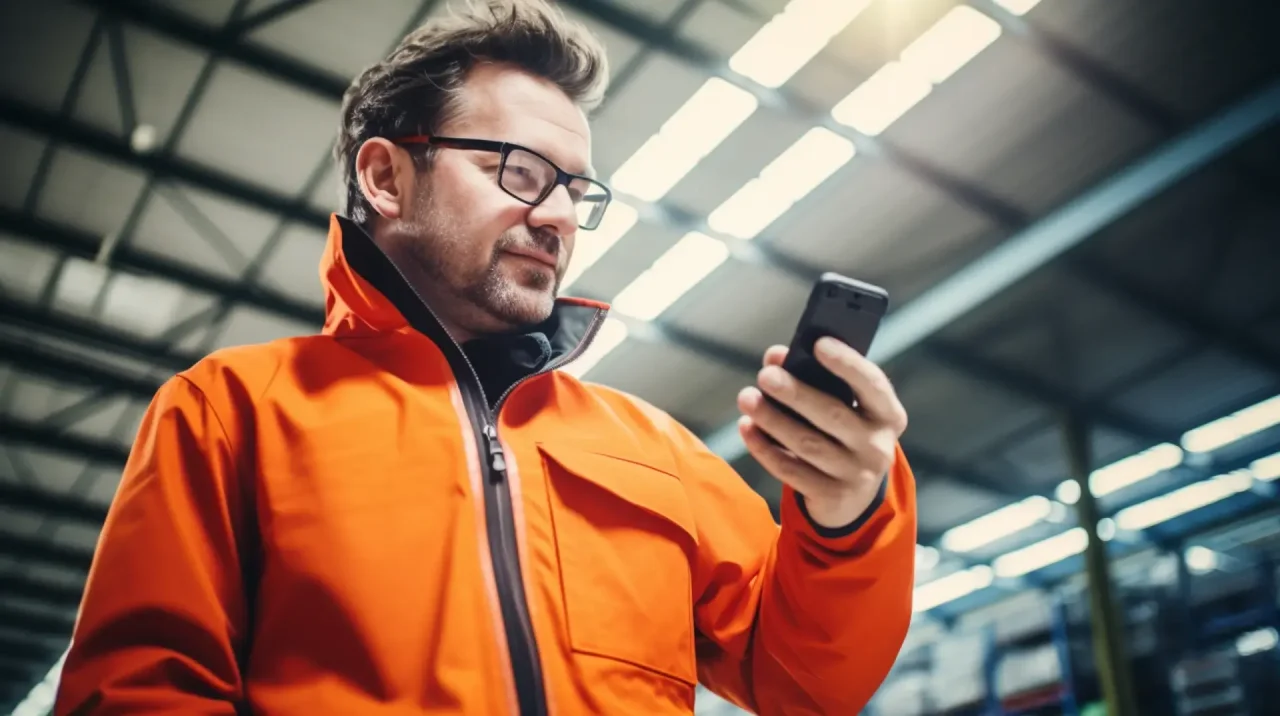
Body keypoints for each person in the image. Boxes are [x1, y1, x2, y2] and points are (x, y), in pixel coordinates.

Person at [54, 1, 917, 714]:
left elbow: (806, 682)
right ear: (388, 179)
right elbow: (137, 695)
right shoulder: (234, 411)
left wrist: (847, 518)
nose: (560, 217)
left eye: (577, 190)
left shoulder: (655, 454)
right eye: (519, 171)